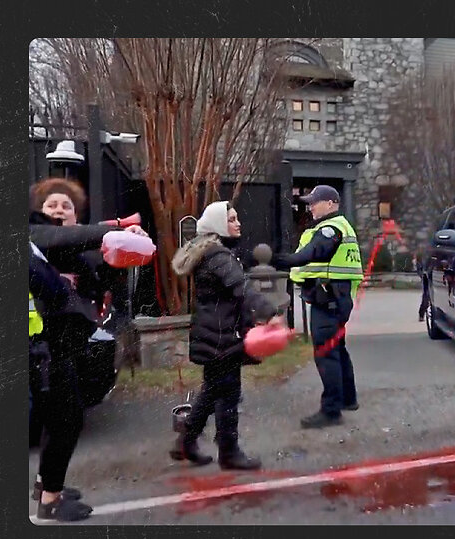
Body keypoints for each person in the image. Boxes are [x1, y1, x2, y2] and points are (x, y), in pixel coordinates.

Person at [28, 178, 150, 521]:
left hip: (65, 346)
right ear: (39, 210)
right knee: (67, 420)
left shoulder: (74, 249)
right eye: (52, 205)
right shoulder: (32, 234)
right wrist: (114, 229)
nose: (59, 211)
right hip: (42, 347)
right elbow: (61, 238)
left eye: (66, 206)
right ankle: (51, 502)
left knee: (59, 419)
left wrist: (128, 243)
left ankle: (45, 483)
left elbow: (101, 272)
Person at [170, 200, 281, 470]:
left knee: (212, 391)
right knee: (228, 394)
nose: (238, 223)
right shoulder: (219, 256)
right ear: (219, 225)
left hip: (213, 334)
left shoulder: (211, 253)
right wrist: (270, 311)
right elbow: (242, 288)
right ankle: (229, 453)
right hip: (221, 337)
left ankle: (185, 444)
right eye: (231, 219)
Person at [270, 184, 362, 428]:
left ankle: (331, 410)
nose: (309, 207)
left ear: (330, 203)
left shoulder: (331, 228)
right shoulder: (338, 225)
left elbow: (315, 252)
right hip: (335, 297)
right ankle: (347, 399)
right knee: (337, 348)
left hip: (328, 298)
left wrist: (279, 260)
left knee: (326, 353)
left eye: (314, 202)